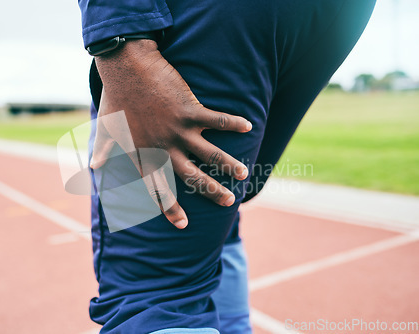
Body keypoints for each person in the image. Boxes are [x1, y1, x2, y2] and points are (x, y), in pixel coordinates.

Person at [77, 1, 376, 333]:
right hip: (339, 14)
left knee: (153, 292)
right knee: (220, 208)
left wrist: (116, 38)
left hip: (213, 11)